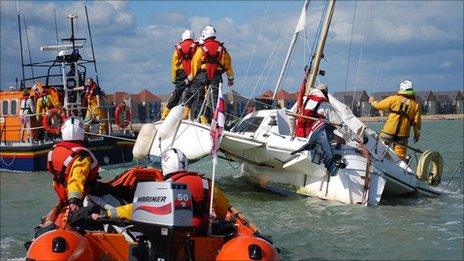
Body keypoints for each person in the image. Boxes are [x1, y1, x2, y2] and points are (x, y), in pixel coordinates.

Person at [95, 148, 230, 236]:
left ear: (165, 167)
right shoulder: (206, 183)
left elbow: (137, 209)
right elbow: (223, 205)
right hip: (203, 236)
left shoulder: (164, 189)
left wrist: (107, 213)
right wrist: (218, 218)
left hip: (174, 241)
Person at [290, 84, 346, 176]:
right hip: (313, 140)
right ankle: (332, 163)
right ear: (325, 94)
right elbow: (339, 122)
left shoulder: (303, 100)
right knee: (336, 136)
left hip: (299, 137)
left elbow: (290, 116)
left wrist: (292, 133)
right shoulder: (324, 104)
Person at [182, 25, 234, 123]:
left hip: (202, 75)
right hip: (216, 76)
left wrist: (190, 78)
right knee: (215, 99)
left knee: (192, 93)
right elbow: (228, 64)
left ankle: (186, 115)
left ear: (204, 35)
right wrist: (230, 78)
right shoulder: (222, 49)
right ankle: (217, 120)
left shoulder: (202, 48)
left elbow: (195, 62)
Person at [47, 117, 100, 212]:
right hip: (83, 197)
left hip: (62, 194)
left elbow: (52, 170)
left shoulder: (54, 151)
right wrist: (74, 201)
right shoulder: (82, 156)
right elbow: (77, 179)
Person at [368, 80, 421, 159]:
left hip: (388, 131)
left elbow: (379, 106)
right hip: (403, 134)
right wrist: (417, 134)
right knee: (398, 158)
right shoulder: (416, 105)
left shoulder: (394, 99)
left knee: (379, 152)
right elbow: (417, 122)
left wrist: (372, 101)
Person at [161, 30, 199, 120]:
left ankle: (165, 114)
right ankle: (188, 115)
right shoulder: (197, 47)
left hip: (181, 73)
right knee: (193, 94)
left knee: (177, 93)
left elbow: (174, 65)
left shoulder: (178, 49)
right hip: (193, 73)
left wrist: (174, 79)